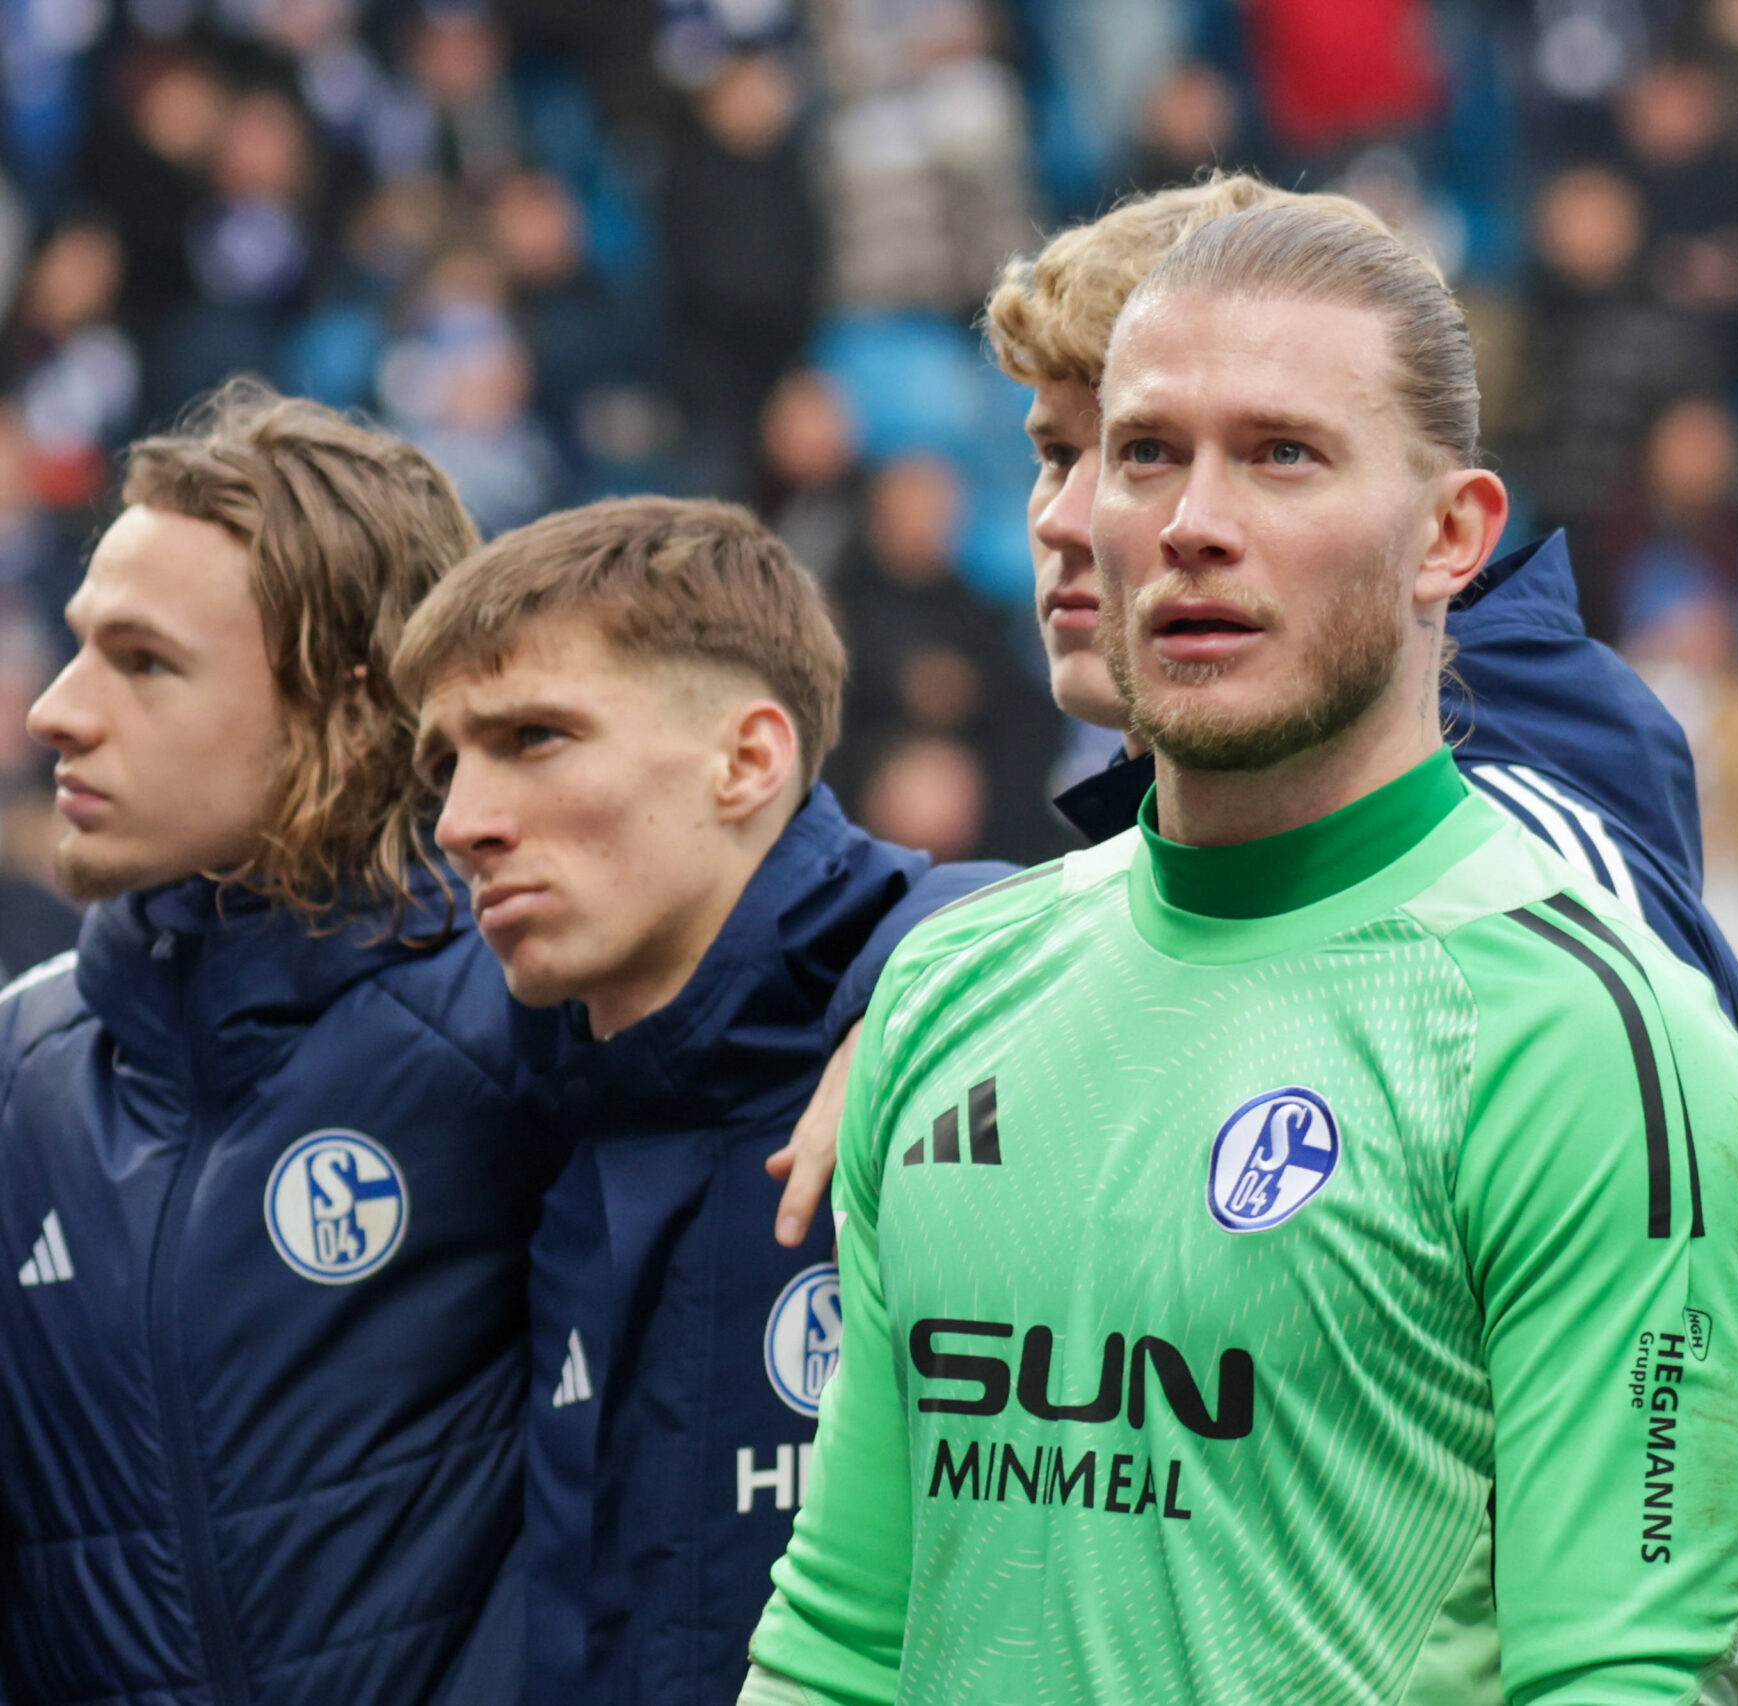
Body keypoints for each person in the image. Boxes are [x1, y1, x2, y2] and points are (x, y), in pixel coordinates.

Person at [745, 205, 1738, 1704]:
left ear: (1452, 535)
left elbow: (1627, 1677)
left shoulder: (1588, 1039)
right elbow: (839, 1644)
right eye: (1146, 452)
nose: (1190, 522)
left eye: (1283, 454)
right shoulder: (943, 990)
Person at [395, 496, 1003, 1706]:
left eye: (534, 737)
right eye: (446, 762)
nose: (462, 823)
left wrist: (953, 961)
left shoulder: (969, 1057)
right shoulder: (513, 1094)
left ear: (747, 759)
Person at [0, 381, 548, 1704]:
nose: (56, 711)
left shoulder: (530, 1016)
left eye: (145, 661)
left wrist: (879, 1002)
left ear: (350, 708)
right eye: (80, 647)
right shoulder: (24, 1076)